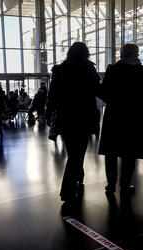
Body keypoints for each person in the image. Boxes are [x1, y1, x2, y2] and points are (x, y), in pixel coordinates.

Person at [97, 44, 143, 195]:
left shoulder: (113, 70)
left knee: (111, 152)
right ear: (136, 54)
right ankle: (125, 184)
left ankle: (111, 184)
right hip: (136, 118)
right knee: (130, 153)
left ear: (122, 53)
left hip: (115, 116)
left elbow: (104, 92)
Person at [45, 42, 101, 204]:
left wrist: (49, 114)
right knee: (78, 152)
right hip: (83, 116)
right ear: (85, 53)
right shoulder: (87, 68)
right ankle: (67, 190)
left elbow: (52, 95)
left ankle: (79, 176)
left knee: (73, 152)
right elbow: (97, 89)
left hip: (65, 117)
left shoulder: (60, 71)